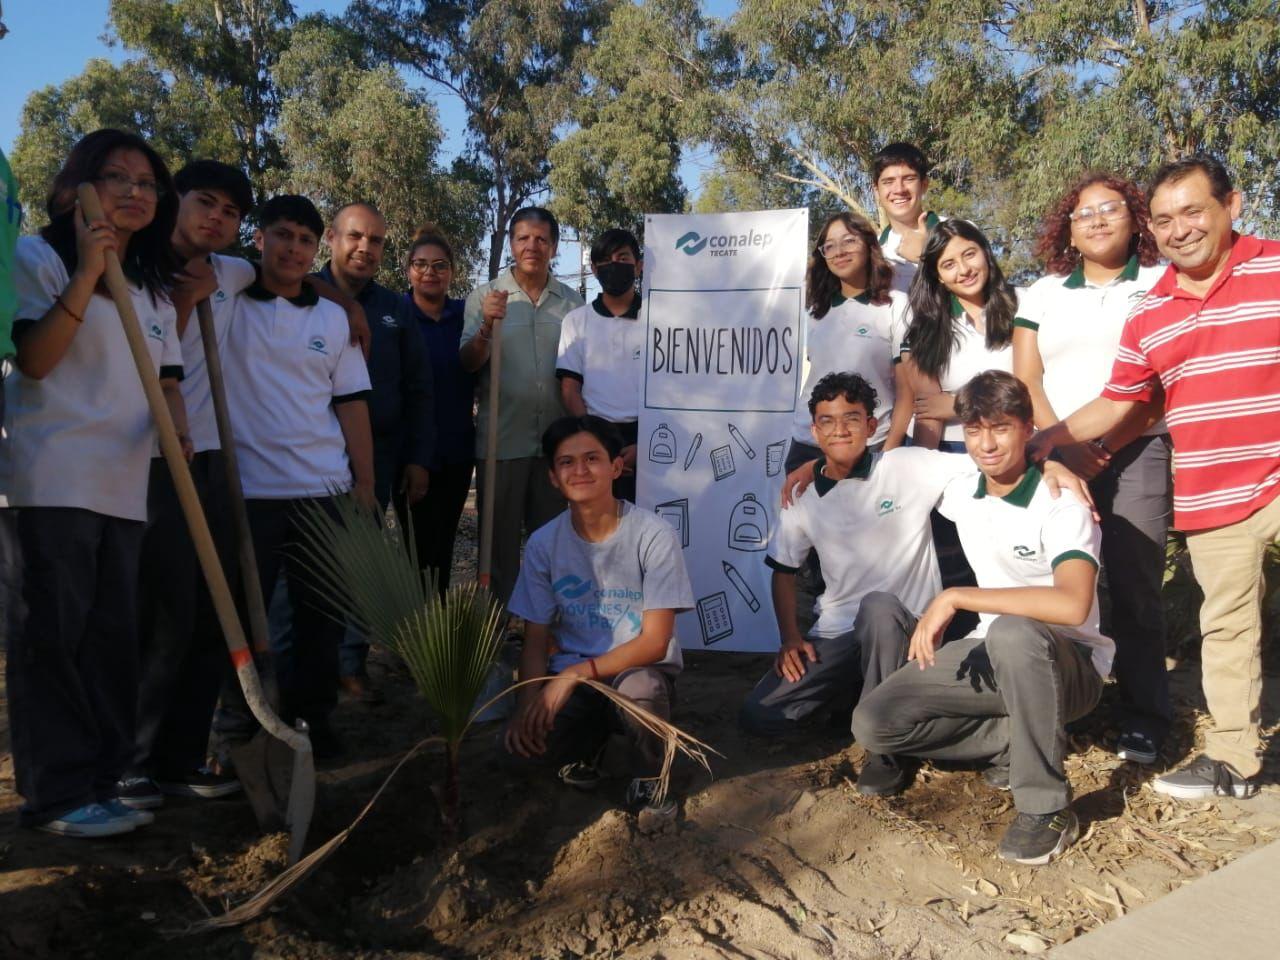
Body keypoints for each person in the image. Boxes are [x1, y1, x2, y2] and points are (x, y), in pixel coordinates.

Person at [1030, 156, 1280, 801]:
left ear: (1233, 205)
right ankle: (1233, 759)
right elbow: (1118, 400)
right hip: (1212, 490)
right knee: (1227, 626)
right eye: (1165, 219)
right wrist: (1045, 439)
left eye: (1193, 211)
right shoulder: (1151, 311)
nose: (1180, 229)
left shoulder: (1275, 268)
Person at [0, 129, 187, 837]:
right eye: (119, 178)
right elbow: (37, 360)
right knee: (52, 638)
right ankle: (54, 793)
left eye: (149, 183)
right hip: (50, 478)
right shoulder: (38, 256)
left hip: (122, 483)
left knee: (112, 638)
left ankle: (104, 777)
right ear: (81, 183)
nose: (137, 192)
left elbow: (164, 383)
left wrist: (178, 425)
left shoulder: (155, 287)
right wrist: (86, 270)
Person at [851, 371, 1110, 865]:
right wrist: (808, 473)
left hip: (1068, 663)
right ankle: (1019, 734)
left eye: (1001, 428)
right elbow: (864, 460)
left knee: (1013, 632)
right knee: (874, 723)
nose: (986, 444)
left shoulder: (1059, 501)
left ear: (1028, 429)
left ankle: (1046, 808)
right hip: (995, 652)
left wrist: (958, 596)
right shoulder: (960, 483)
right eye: (974, 430)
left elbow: (1073, 605)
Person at [1014, 173, 1171, 765]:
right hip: (1056, 456)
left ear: (1135, 219)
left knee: (1134, 587)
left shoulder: (1161, 282)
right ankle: (1068, 703)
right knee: (1061, 580)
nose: (1098, 220)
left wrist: (1102, 447)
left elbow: (1159, 382)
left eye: (1111, 209)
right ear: (1068, 229)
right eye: (1084, 213)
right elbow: (1028, 379)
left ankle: (1145, 715)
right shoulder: (1044, 292)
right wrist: (1060, 447)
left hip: (1139, 447)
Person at [218, 194, 374, 760]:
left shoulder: (332, 319)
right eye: (282, 235)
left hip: (322, 492)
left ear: (317, 248)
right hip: (249, 492)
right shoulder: (228, 297)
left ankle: (314, 718)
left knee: (321, 618)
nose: (293, 248)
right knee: (242, 617)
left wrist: (364, 483)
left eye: (305, 240)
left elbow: (352, 403)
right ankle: (238, 725)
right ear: (259, 239)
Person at [741, 372, 979, 735]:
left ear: (870, 426)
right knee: (762, 713)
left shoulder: (908, 465)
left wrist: (1052, 462)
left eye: (851, 419)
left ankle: (883, 747)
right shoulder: (802, 495)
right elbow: (784, 571)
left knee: (879, 608)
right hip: (838, 633)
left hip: (905, 627)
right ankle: (859, 699)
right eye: (827, 421)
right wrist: (790, 638)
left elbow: (989, 463)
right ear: (815, 431)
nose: (840, 430)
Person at [504, 415, 693, 827]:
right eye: (567, 462)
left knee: (641, 690)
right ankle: (590, 750)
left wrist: (573, 673)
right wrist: (526, 707)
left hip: (636, 673)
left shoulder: (652, 535)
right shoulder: (543, 544)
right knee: (528, 746)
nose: (580, 470)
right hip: (574, 679)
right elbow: (535, 639)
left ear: (616, 467)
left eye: (592, 458)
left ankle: (650, 779)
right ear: (553, 477)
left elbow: (655, 642)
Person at [313, 201, 433, 700]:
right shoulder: (299, 294)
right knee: (312, 564)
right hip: (308, 458)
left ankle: (349, 663)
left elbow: (418, 387)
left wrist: (417, 458)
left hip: (378, 458)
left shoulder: (396, 309)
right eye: (355, 236)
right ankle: (306, 665)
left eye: (376, 241)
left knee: (359, 561)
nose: (365, 248)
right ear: (331, 238)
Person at [460, 207, 583, 607]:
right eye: (523, 238)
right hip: (501, 442)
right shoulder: (484, 298)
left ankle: (545, 635)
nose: (532, 246)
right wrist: (485, 329)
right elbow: (467, 363)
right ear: (512, 243)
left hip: (556, 448)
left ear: (553, 246)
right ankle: (494, 637)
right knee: (497, 548)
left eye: (541, 239)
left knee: (553, 546)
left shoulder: (571, 302)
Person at [785, 212, 912, 474]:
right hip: (808, 446)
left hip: (870, 446)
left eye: (849, 241)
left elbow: (908, 390)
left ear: (868, 245)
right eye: (829, 246)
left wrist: (888, 453)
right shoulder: (815, 312)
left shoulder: (896, 305)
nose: (839, 251)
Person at [901, 218, 1020, 451]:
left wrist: (958, 405)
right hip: (951, 449)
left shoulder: (1026, 304)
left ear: (985, 252)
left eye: (969, 254)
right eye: (949, 265)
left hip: (1015, 447)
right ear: (938, 277)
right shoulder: (924, 329)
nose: (964, 270)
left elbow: (1030, 391)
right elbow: (929, 412)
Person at [403, 225, 474, 597]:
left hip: (458, 449)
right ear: (408, 270)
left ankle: (436, 629)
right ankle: (411, 630)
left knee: (444, 541)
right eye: (421, 264)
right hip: (410, 452)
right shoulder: (394, 315)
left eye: (440, 265)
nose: (430, 272)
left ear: (452, 271)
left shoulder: (466, 315)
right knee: (415, 546)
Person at [556, 227, 644, 501]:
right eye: (605, 260)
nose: (614, 265)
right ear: (593, 269)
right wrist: (598, 444)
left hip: (650, 439)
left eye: (623, 258)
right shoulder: (576, 321)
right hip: (596, 438)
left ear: (638, 266)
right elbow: (570, 390)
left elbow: (673, 390)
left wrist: (646, 445)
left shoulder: (661, 320)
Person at [872, 142, 943, 293]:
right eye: (888, 182)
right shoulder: (874, 253)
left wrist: (927, 257)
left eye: (909, 179)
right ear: (877, 191)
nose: (899, 189)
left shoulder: (960, 232)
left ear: (924, 185)